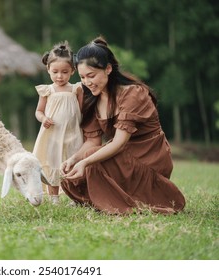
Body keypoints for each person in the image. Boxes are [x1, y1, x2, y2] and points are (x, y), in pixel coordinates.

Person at [60, 36, 186, 214]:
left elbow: (119, 142)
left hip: (147, 158)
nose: (87, 82)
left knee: (90, 161)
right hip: (122, 156)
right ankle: (105, 197)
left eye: (91, 75)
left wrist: (86, 161)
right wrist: (74, 160)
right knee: (72, 175)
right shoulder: (92, 98)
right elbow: (92, 142)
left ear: (108, 69)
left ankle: (124, 198)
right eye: (82, 77)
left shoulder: (133, 93)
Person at [33, 41, 84, 205]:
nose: (59, 76)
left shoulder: (76, 89)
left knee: (71, 162)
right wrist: (43, 118)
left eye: (64, 72)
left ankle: (73, 196)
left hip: (73, 133)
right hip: (53, 134)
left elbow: (82, 111)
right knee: (52, 163)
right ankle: (53, 197)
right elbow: (38, 111)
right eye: (55, 72)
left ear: (73, 71)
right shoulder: (47, 90)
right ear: (48, 69)